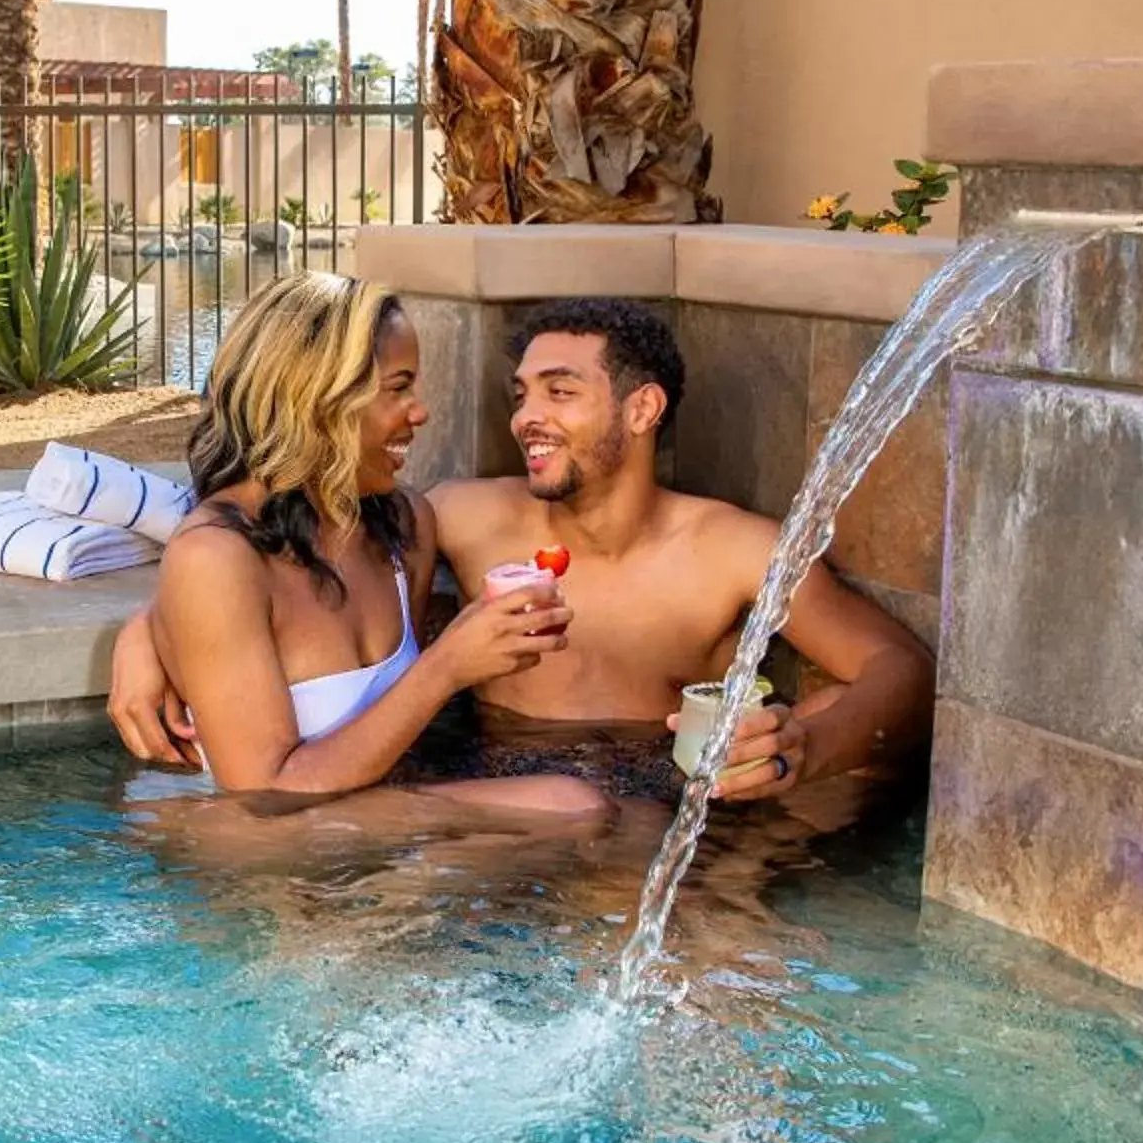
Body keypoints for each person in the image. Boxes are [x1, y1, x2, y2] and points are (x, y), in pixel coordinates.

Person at [115, 296, 932, 807]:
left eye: (562, 392)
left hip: (649, 793)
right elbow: (252, 562)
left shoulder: (733, 551)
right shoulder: (459, 518)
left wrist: (807, 749)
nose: (526, 418)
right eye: (522, 395)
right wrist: (149, 632)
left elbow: (899, 667)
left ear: (642, 409)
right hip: (493, 793)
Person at [137, 272, 608, 818]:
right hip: (263, 846)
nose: (420, 410)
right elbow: (263, 793)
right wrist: (446, 666)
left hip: (362, 829)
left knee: (622, 812)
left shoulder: (405, 527)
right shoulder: (217, 557)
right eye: (398, 387)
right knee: (573, 808)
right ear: (317, 398)